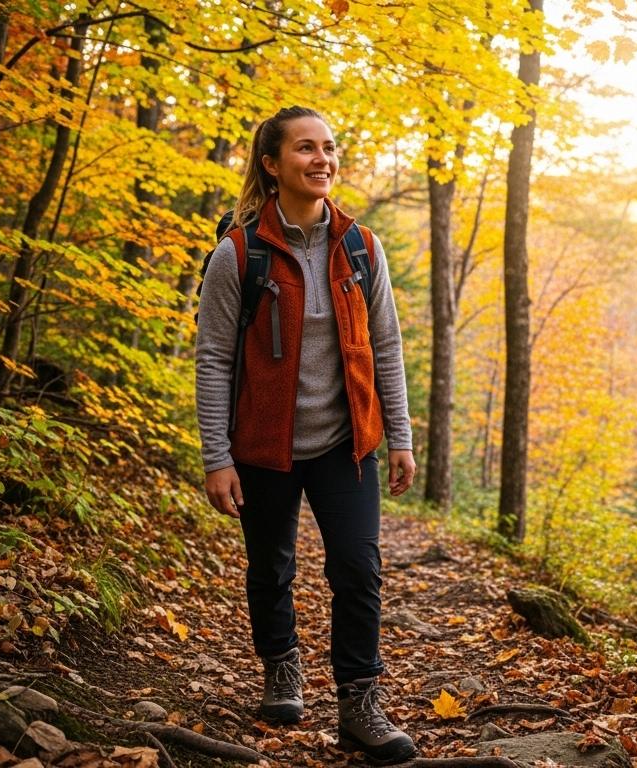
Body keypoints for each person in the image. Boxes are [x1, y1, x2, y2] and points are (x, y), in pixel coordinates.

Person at [195, 105, 418, 765]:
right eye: (304, 149)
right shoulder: (239, 254)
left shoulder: (361, 246)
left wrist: (399, 437)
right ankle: (282, 667)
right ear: (272, 164)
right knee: (271, 568)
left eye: (328, 147)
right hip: (264, 447)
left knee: (358, 568)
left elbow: (387, 347)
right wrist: (217, 457)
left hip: (345, 444)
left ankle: (359, 703)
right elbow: (212, 359)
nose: (321, 159)